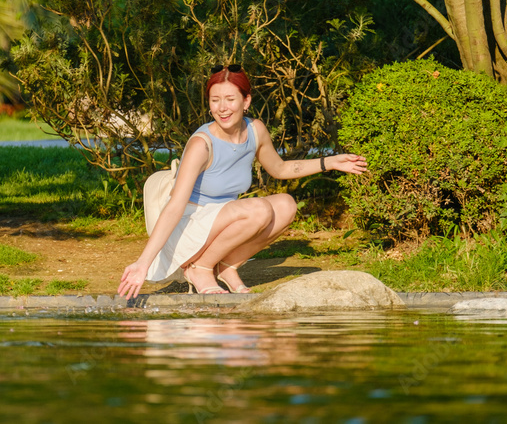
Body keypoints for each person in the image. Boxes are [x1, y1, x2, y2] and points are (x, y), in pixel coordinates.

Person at [117, 64, 368, 299]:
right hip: (190, 226)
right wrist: (143, 262)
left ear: (246, 101)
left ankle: (227, 266)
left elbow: (280, 168)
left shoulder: (255, 130)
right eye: (215, 100)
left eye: (230, 99)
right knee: (258, 209)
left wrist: (329, 162)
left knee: (286, 205)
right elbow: (174, 207)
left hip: (222, 218)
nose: (222, 108)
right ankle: (200, 268)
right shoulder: (201, 145)